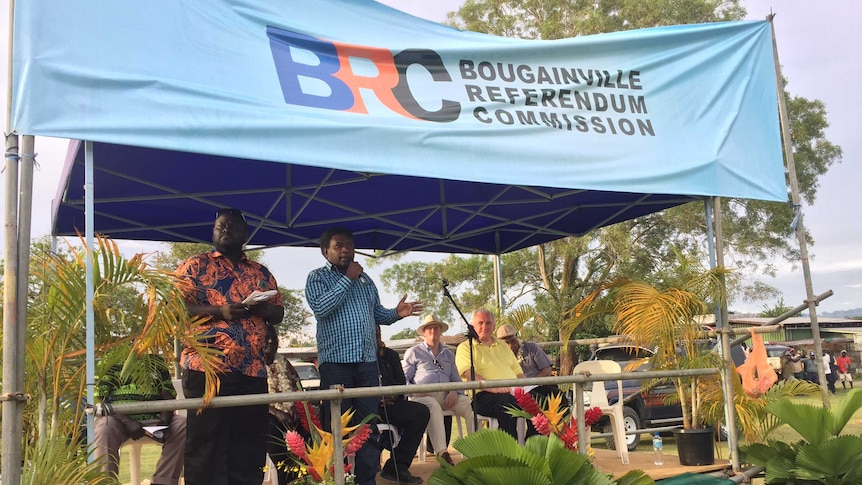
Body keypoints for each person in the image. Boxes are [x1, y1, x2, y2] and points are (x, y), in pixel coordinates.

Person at [304, 226, 422, 485]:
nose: (346, 249)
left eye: (349, 244)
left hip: (367, 364)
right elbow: (322, 308)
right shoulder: (317, 277)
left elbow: (377, 315)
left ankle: (366, 481)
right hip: (336, 365)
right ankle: (338, 480)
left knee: (367, 427)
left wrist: (396, 313)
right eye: (339, 245)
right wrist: (347, 278)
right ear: (326, 252)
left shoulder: (366, 280)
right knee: (337, 429)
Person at [176, 208, 285, 485]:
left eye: (231, 227)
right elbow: (175, 308)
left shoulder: (260, 272)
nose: (224, 231)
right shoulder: (195, 266)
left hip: (251, 370)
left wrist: (262, 309)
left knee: (248, 445)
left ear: (245, 235)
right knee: (206, 444)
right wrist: (219, 311)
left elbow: (278, 314)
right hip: (207, 368)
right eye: (219, 226)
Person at [93, 347, 186, 485]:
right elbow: (102, 398)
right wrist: (127, 421)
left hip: (153, 417)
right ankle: (105, 482)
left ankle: (164, 481)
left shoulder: (156, 362)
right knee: (104, 428)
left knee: (182, 425)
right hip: (118, 418)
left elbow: (168, 394)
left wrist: (164, 421)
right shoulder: (109, 361)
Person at [402, 314, 475, 466]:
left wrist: (454, 391)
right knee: (432, 404)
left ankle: (476, 451)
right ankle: (443, 454)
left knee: (469, 404)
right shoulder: (413, 352)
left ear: (441, 330)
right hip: (421, 396)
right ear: (423, 332)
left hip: (447, 395)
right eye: (429, 328)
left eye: (436, 327)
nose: (433, 330)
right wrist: (418, 391)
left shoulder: (448, 354)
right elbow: (403, 381)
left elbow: (456, 379)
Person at [454, 308, 537, 440]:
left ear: (493, 326)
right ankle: (510, 451)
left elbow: (519, 373)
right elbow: (470, 374)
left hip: (513, 391)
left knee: (546, 396)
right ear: (472, 326)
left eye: (488, 323)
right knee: (507, 402)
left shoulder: (503, 345)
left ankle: (534, 445)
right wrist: (496, 388)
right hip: (483, 394)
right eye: (480, 323)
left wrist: (524, 388)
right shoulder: (465, 347)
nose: (484, 326)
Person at [375, 325, 430, 484]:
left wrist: (393, 394)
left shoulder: (389, 355)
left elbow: (400, 382)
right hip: (365, 406)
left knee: (421, 412)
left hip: (390, 405)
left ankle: (396, 467)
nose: (374, 334)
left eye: (377, 330)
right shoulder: (356, 355)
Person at [263, 323, 309, 485]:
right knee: (270, 427)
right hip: (265, 418)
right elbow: (252, 400)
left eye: (273, 338)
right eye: (266, 338)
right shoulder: (253, 365)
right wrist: (277, 412)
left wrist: (298, 410)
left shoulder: (283, 362)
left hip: (291, 416)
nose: (270, 342)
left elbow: (298, 389)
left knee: (312, 438)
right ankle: (286, 479)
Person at [496, 324, 566, 404]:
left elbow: (547, 370)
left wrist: (531, 383)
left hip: (537, 384)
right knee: (539, 401)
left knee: (558, 396)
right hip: (514, 390)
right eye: (506, 343)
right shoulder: (497, 355)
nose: (510, 346)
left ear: (517, 336)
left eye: (513, 341)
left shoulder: (531, 348)